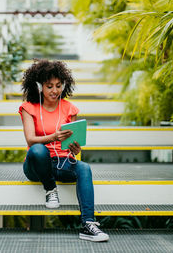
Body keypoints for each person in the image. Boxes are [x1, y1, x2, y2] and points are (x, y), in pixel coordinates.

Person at [18, 59, 109, 242]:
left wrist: (75, 148)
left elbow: (72, 143)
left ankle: (88, 224)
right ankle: (50, 189)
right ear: (39, 86)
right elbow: (30, 139)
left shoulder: (69, 108)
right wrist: (53, 137)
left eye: (58, 86)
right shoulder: (29, 108)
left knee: (84, 168)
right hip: (37, 165)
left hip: (62, 161)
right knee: (37, 150)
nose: (55, 90)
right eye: (49, 86)